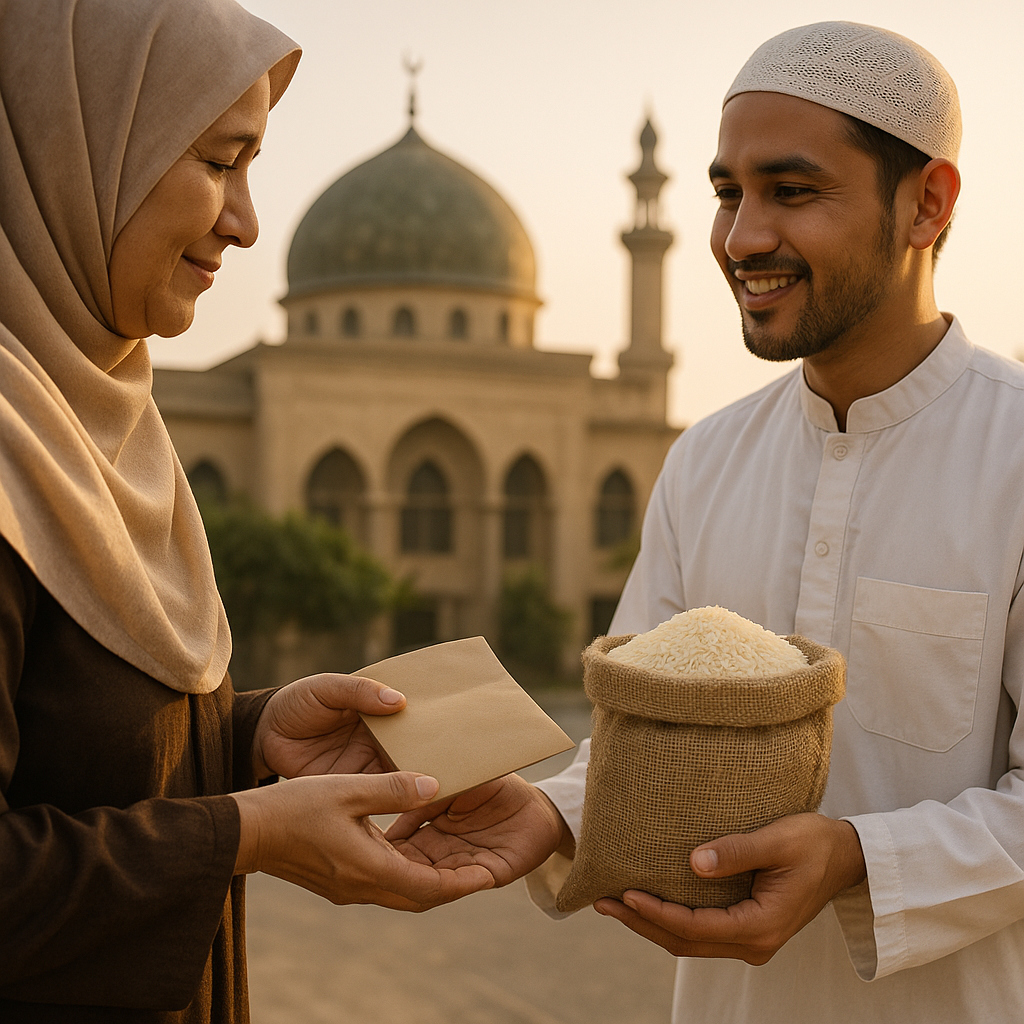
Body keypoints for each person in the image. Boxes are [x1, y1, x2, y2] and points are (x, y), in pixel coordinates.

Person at [390, 21, 1024, 1023]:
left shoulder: (1014, 456)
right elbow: (640, 743)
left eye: (792, 190)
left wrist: (856, 857)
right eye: (728, 193)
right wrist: (551, 811)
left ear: (926, 204)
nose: (741, 237)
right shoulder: (705, 460)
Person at [0, 2, 497, 1021]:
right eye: (220, 161)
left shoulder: (86, 423)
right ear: (83, 148)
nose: (245, 220)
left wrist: (253, 735)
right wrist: (247, 834)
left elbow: (74, 749)